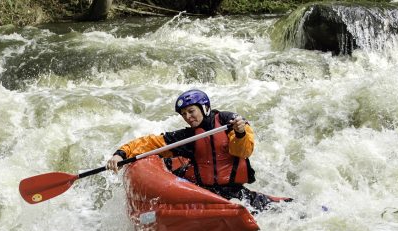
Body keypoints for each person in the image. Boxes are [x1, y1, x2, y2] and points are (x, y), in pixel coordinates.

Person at [106, 89, 273, 211]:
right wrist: (121, 154)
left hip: (235, 192)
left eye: (191, 111)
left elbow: (243, 152)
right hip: (206, 194)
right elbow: (151, 143)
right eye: (184, 114)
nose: (188, 117)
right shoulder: (189, 137)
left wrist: (240, 132)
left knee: (283, 207)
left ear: (204, 108)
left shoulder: (229, 122)